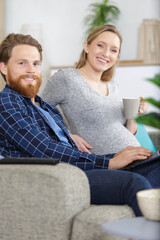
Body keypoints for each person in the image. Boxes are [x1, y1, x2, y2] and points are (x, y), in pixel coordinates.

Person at [0, 33, 159, 217]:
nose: (31, 69)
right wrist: (110, 162)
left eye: (35, 64)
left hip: (80, 169)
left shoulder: (45, 107)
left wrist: (118, 155)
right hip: (63, 178)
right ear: (3, 67)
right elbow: (45, 149)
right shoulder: (6, 104)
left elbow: (70, 150)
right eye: (22, 63)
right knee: (136, 184)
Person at [42, 25, 154, 155]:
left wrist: (133, 112)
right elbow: (37, 113)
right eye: (100, 45)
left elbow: (129, 132)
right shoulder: (66, 78)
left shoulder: (113, 86)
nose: (106, 54)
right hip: (108, 164)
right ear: (87, 46)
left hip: (137, 158)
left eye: (113, 50)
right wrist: (67, 136)